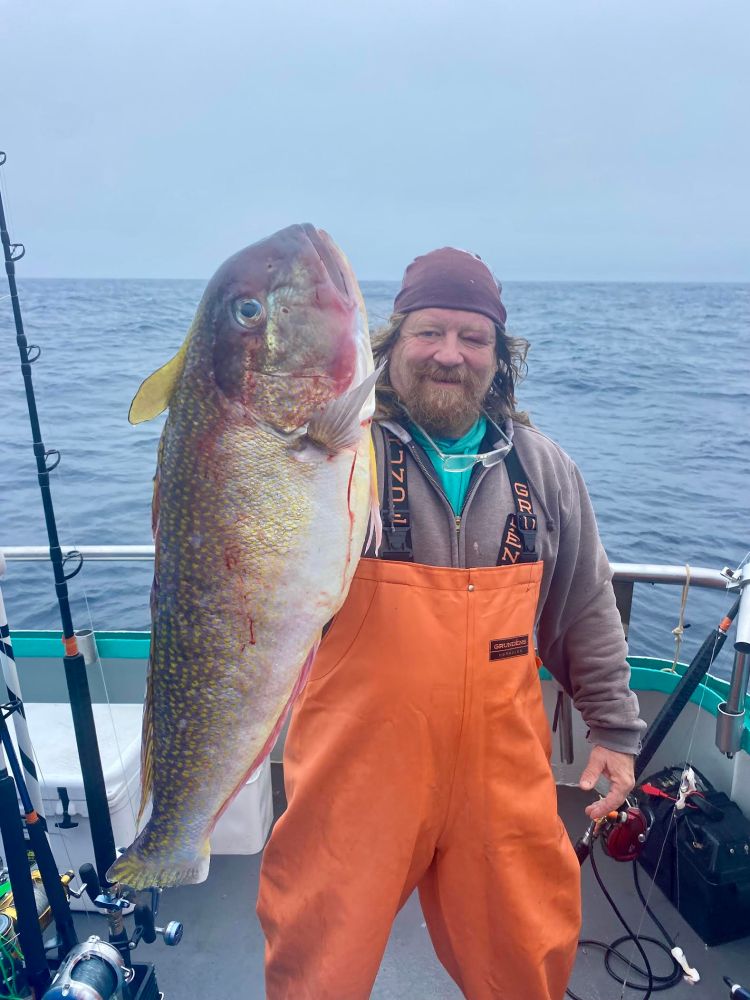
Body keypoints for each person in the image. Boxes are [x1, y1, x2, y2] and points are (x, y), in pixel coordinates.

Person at [257, 247, 646, 1000]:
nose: (449, 354)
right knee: (316, 963)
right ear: (391, 340)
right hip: (357, 770)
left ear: (500, 356)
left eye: (473, 338)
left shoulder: (544, 468)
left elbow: (585, 607)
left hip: (502, 775)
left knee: (527, 958)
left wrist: (615, 731)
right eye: (430, 332)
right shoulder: (336, 454)